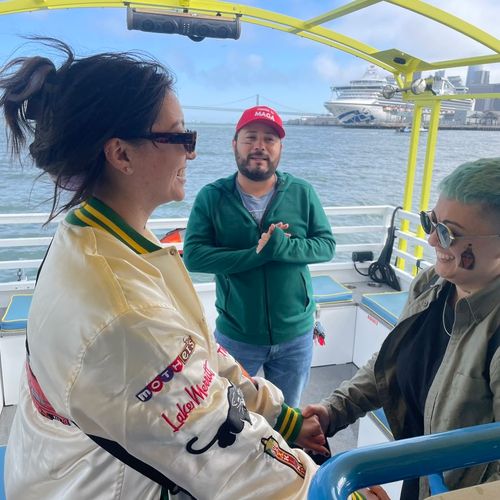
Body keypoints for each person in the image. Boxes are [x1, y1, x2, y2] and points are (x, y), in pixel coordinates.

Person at [0, 38, 330, 500]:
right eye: (179, 137)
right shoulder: (122, 312)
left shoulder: (103, 238)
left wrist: (281, 413)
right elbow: (232, 456)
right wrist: (334, 488)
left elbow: (200, 357)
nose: (190, 153)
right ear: (121, 154)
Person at [302, 158, 500, 499]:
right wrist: (333, 411)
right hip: (418, 471)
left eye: (448, 232)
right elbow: (391, 361)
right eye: (431, 221)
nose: (431, 240)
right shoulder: (432, 285)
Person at [183, 105, 336, 408]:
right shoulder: (212, 196)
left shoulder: (302, 193)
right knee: (228, 415)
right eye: (250, 137)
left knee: (288, 413)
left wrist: (282, 248)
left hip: (296, 334)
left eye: (269, 139)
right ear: (234, 145)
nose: (259, 147)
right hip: (237, 335)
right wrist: (255, 255)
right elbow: (195, 257)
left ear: (280, 148)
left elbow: (325, 245)